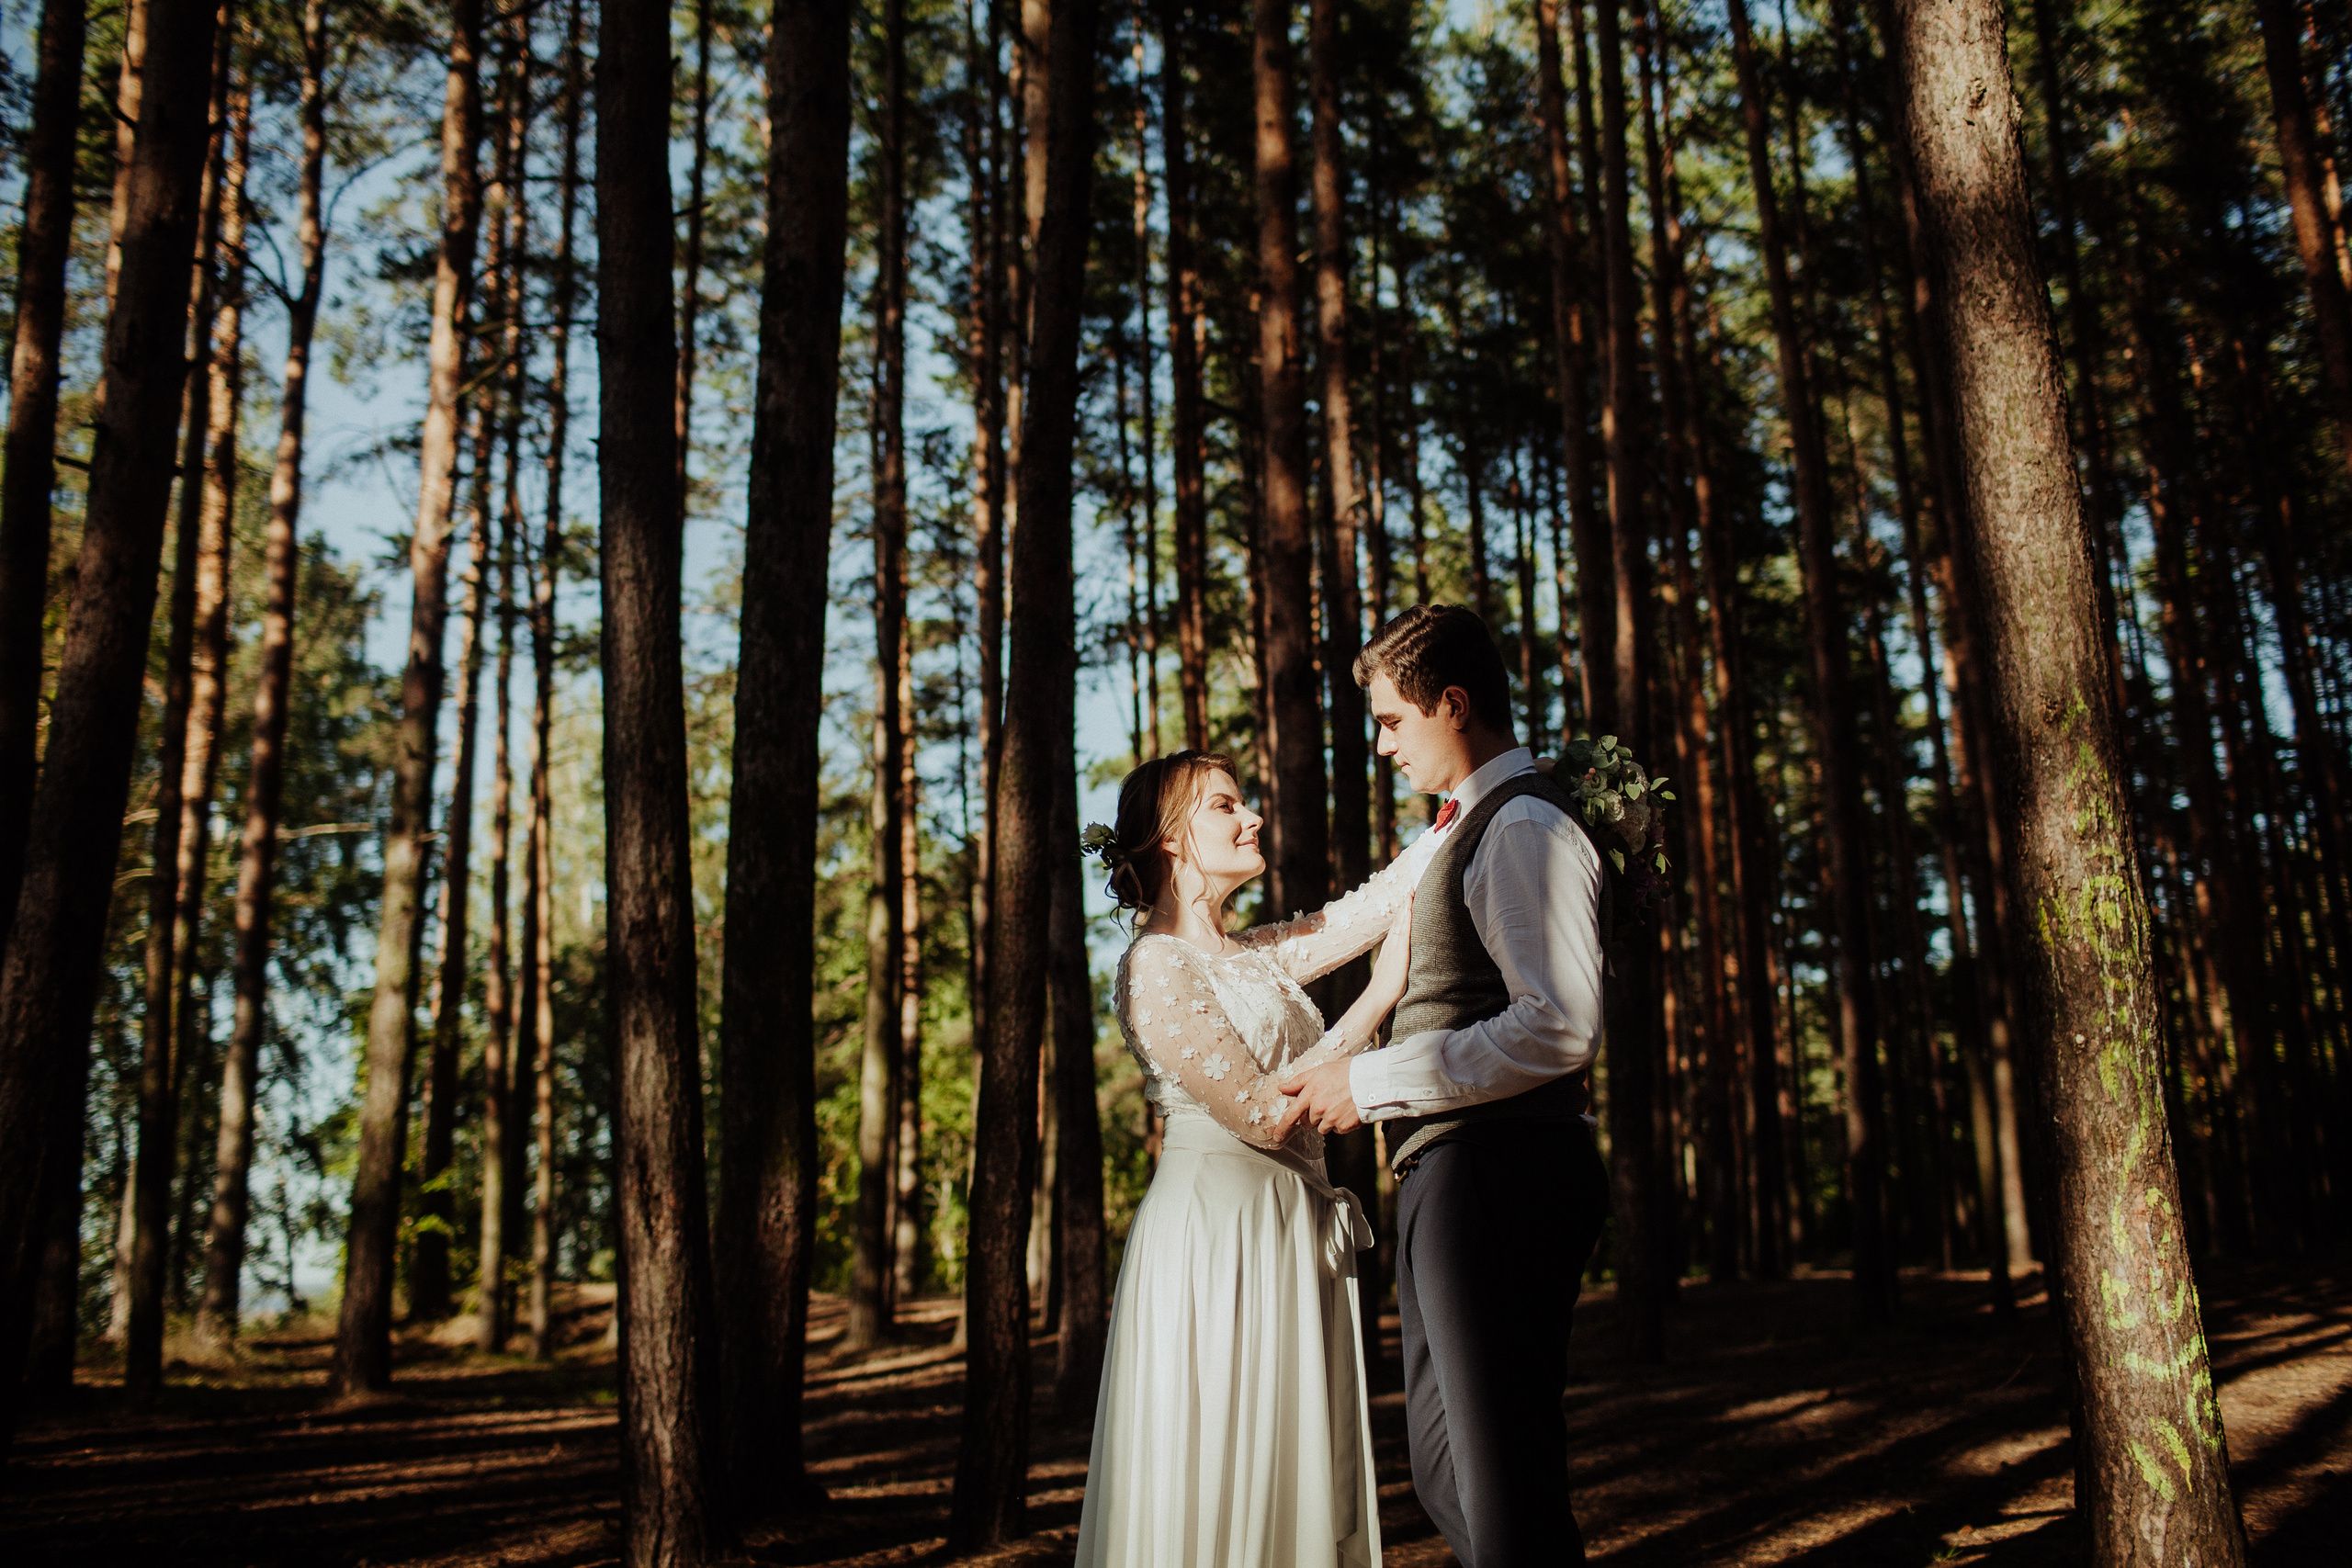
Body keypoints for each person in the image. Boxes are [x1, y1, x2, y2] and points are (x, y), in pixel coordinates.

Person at [1281, 604, 1615, 1566]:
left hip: (1501, 1175)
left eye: (1391, 720)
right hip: (1457, 1172)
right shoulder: (1461, 830)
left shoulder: (1523, 828)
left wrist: (1372, 1081)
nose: (1381, 743)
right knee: (1446, 1472)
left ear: (1452, 704)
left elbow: (1558, 1024)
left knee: (1502, 1490)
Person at [1072, 749, 1438, 1568]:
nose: (1254, 817)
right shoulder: (1155, 964)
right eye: (1227, 805)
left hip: (1286, 1231)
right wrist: (1380, 995)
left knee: (1288, 1462)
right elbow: (1267, 1115)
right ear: (1173, 840)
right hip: (1217, 1240)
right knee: (1221, 1455)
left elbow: (1372, 906)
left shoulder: (1255, 956)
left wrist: (1462, 814)